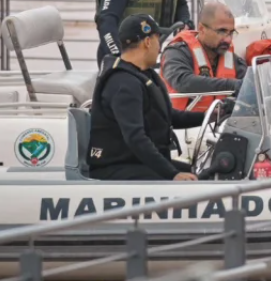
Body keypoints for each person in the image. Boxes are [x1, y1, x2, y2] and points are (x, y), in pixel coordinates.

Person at [86, 14, 204, 181]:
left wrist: (212, 116)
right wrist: (173, 175)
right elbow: (136, 138)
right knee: (195, 180)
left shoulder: (142, 75)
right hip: (117, 169)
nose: (160, 47)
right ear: (148, 42)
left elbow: (170, 116)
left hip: (136, 163)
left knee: (202, 173)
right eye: (158, 39)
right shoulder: (124, 83)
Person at [160, 1, 240, 113]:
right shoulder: (176, 53)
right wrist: (231, 85)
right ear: (201, 29)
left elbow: (247, 84)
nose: (228, 39)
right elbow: (183, 82)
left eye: (231, 33)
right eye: (221, 31)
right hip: (182, 126)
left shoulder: (231, 57)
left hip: (218, 125)